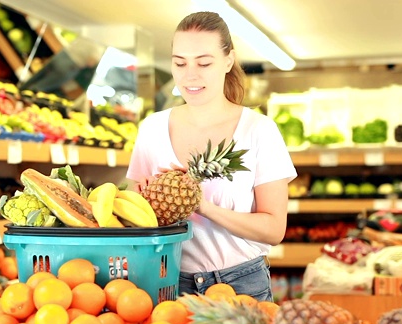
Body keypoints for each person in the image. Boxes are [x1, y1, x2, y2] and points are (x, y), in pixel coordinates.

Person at [125, 11, 297, 301]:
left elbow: (274, 229)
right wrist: (152, 201)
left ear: (228, 61)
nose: (190, 75)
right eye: (180, 63)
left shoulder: (259, 130)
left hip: (240, 285)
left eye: (204, 63)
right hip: (167, 283)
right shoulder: (152, 128)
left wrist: (203, 206)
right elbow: (133, 219)